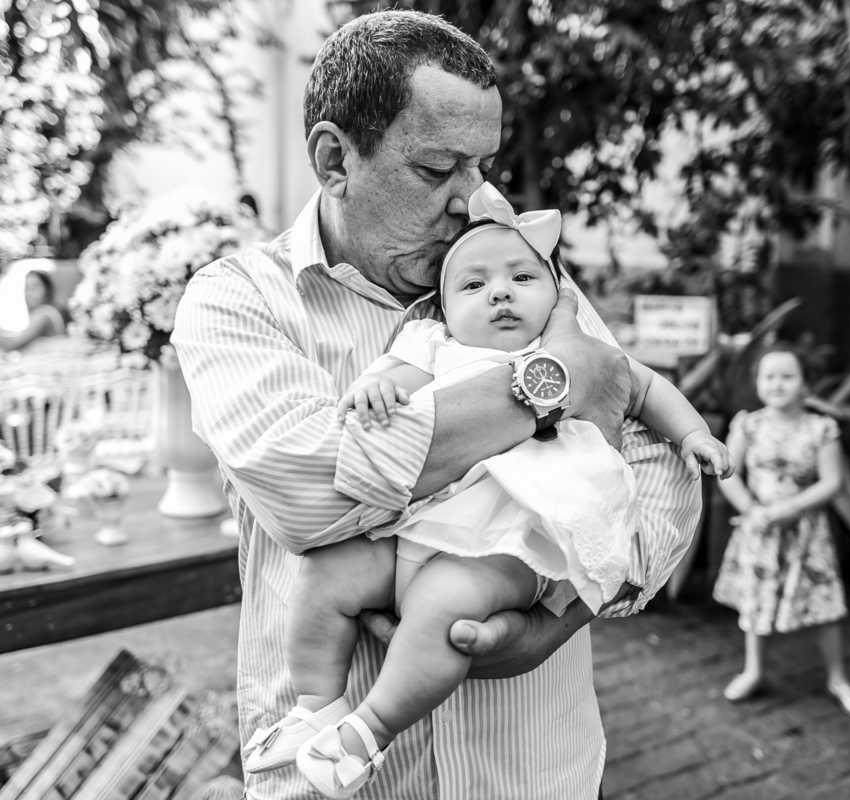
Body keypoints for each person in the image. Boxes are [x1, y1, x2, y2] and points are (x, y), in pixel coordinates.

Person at [171, 10, 703, 799]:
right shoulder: (239, 301)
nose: (474, 199)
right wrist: (544, 385)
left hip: (531, 767)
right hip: (335, 783)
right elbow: (311, 491)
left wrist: (567, 608)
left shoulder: (520, 280)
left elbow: (662, 468)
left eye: (482, 166)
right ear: (333, 158)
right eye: (437, 169)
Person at [242, 184, 734, 796]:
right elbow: (382, 382)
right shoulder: (430, 344)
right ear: (443, 309)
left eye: (522, 277)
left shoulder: (578, 347)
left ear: (558, 297)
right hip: (414, 529)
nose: (499, 291)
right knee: (328, 570)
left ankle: (367, 733)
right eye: (472, 286)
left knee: (443, 606)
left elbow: (646, 390)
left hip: (515, 540)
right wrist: (375, 389)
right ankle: (315, 705)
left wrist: (693, 435)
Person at [712, 343, 850, 718]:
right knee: (756, 599)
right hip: (759, 527)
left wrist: (789, 508)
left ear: (805, 385)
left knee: (825, 602)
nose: (777, 383)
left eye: (787, 376)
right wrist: (752, 510)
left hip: (806, 531)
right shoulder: (747, 424)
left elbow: (832, 482)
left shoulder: (822, 428)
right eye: (769, 376)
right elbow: (726, 473)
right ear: (758, 383)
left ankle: (838, 678)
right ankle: (754, 671)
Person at [0, 269, 67, 352]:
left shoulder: (45, 313)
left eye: (34, 288)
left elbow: (13, 344)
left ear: (47, 291)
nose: (29, 294)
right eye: (26, 289)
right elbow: (16, 335)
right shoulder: (48, 313)